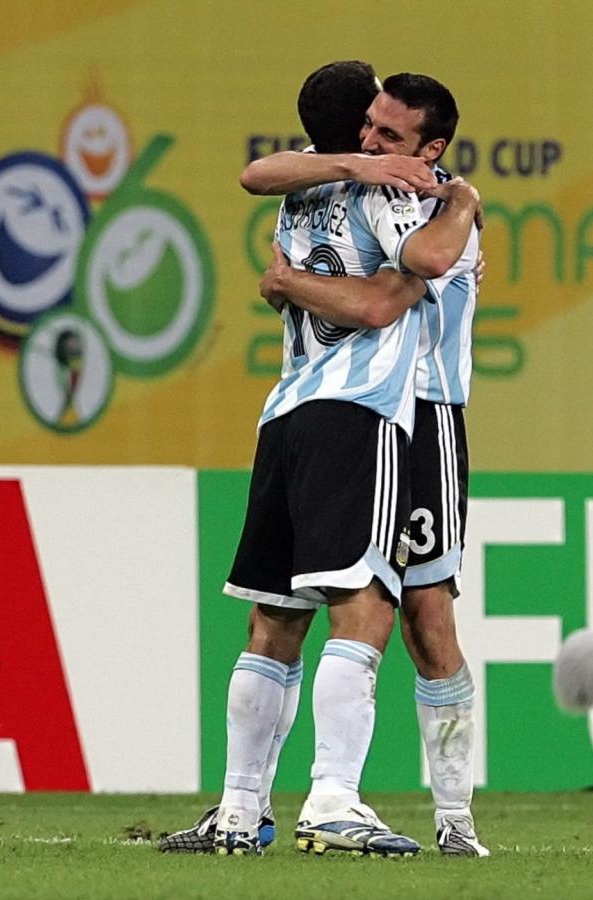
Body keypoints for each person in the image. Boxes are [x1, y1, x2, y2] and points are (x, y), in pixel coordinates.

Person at [159, 60, 479, 858]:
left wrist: (288, 282)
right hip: (374, 409)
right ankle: (334, 799)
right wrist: (463, 201)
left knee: (276, 618)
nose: (376, 140)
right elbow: (391, 294)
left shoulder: (301, 187)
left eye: (390, 132)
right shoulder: (395, 191)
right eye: (370, 126)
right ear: (357, 126)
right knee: (365, 605)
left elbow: (256, 173)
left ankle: (240, 812)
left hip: (291, 412)